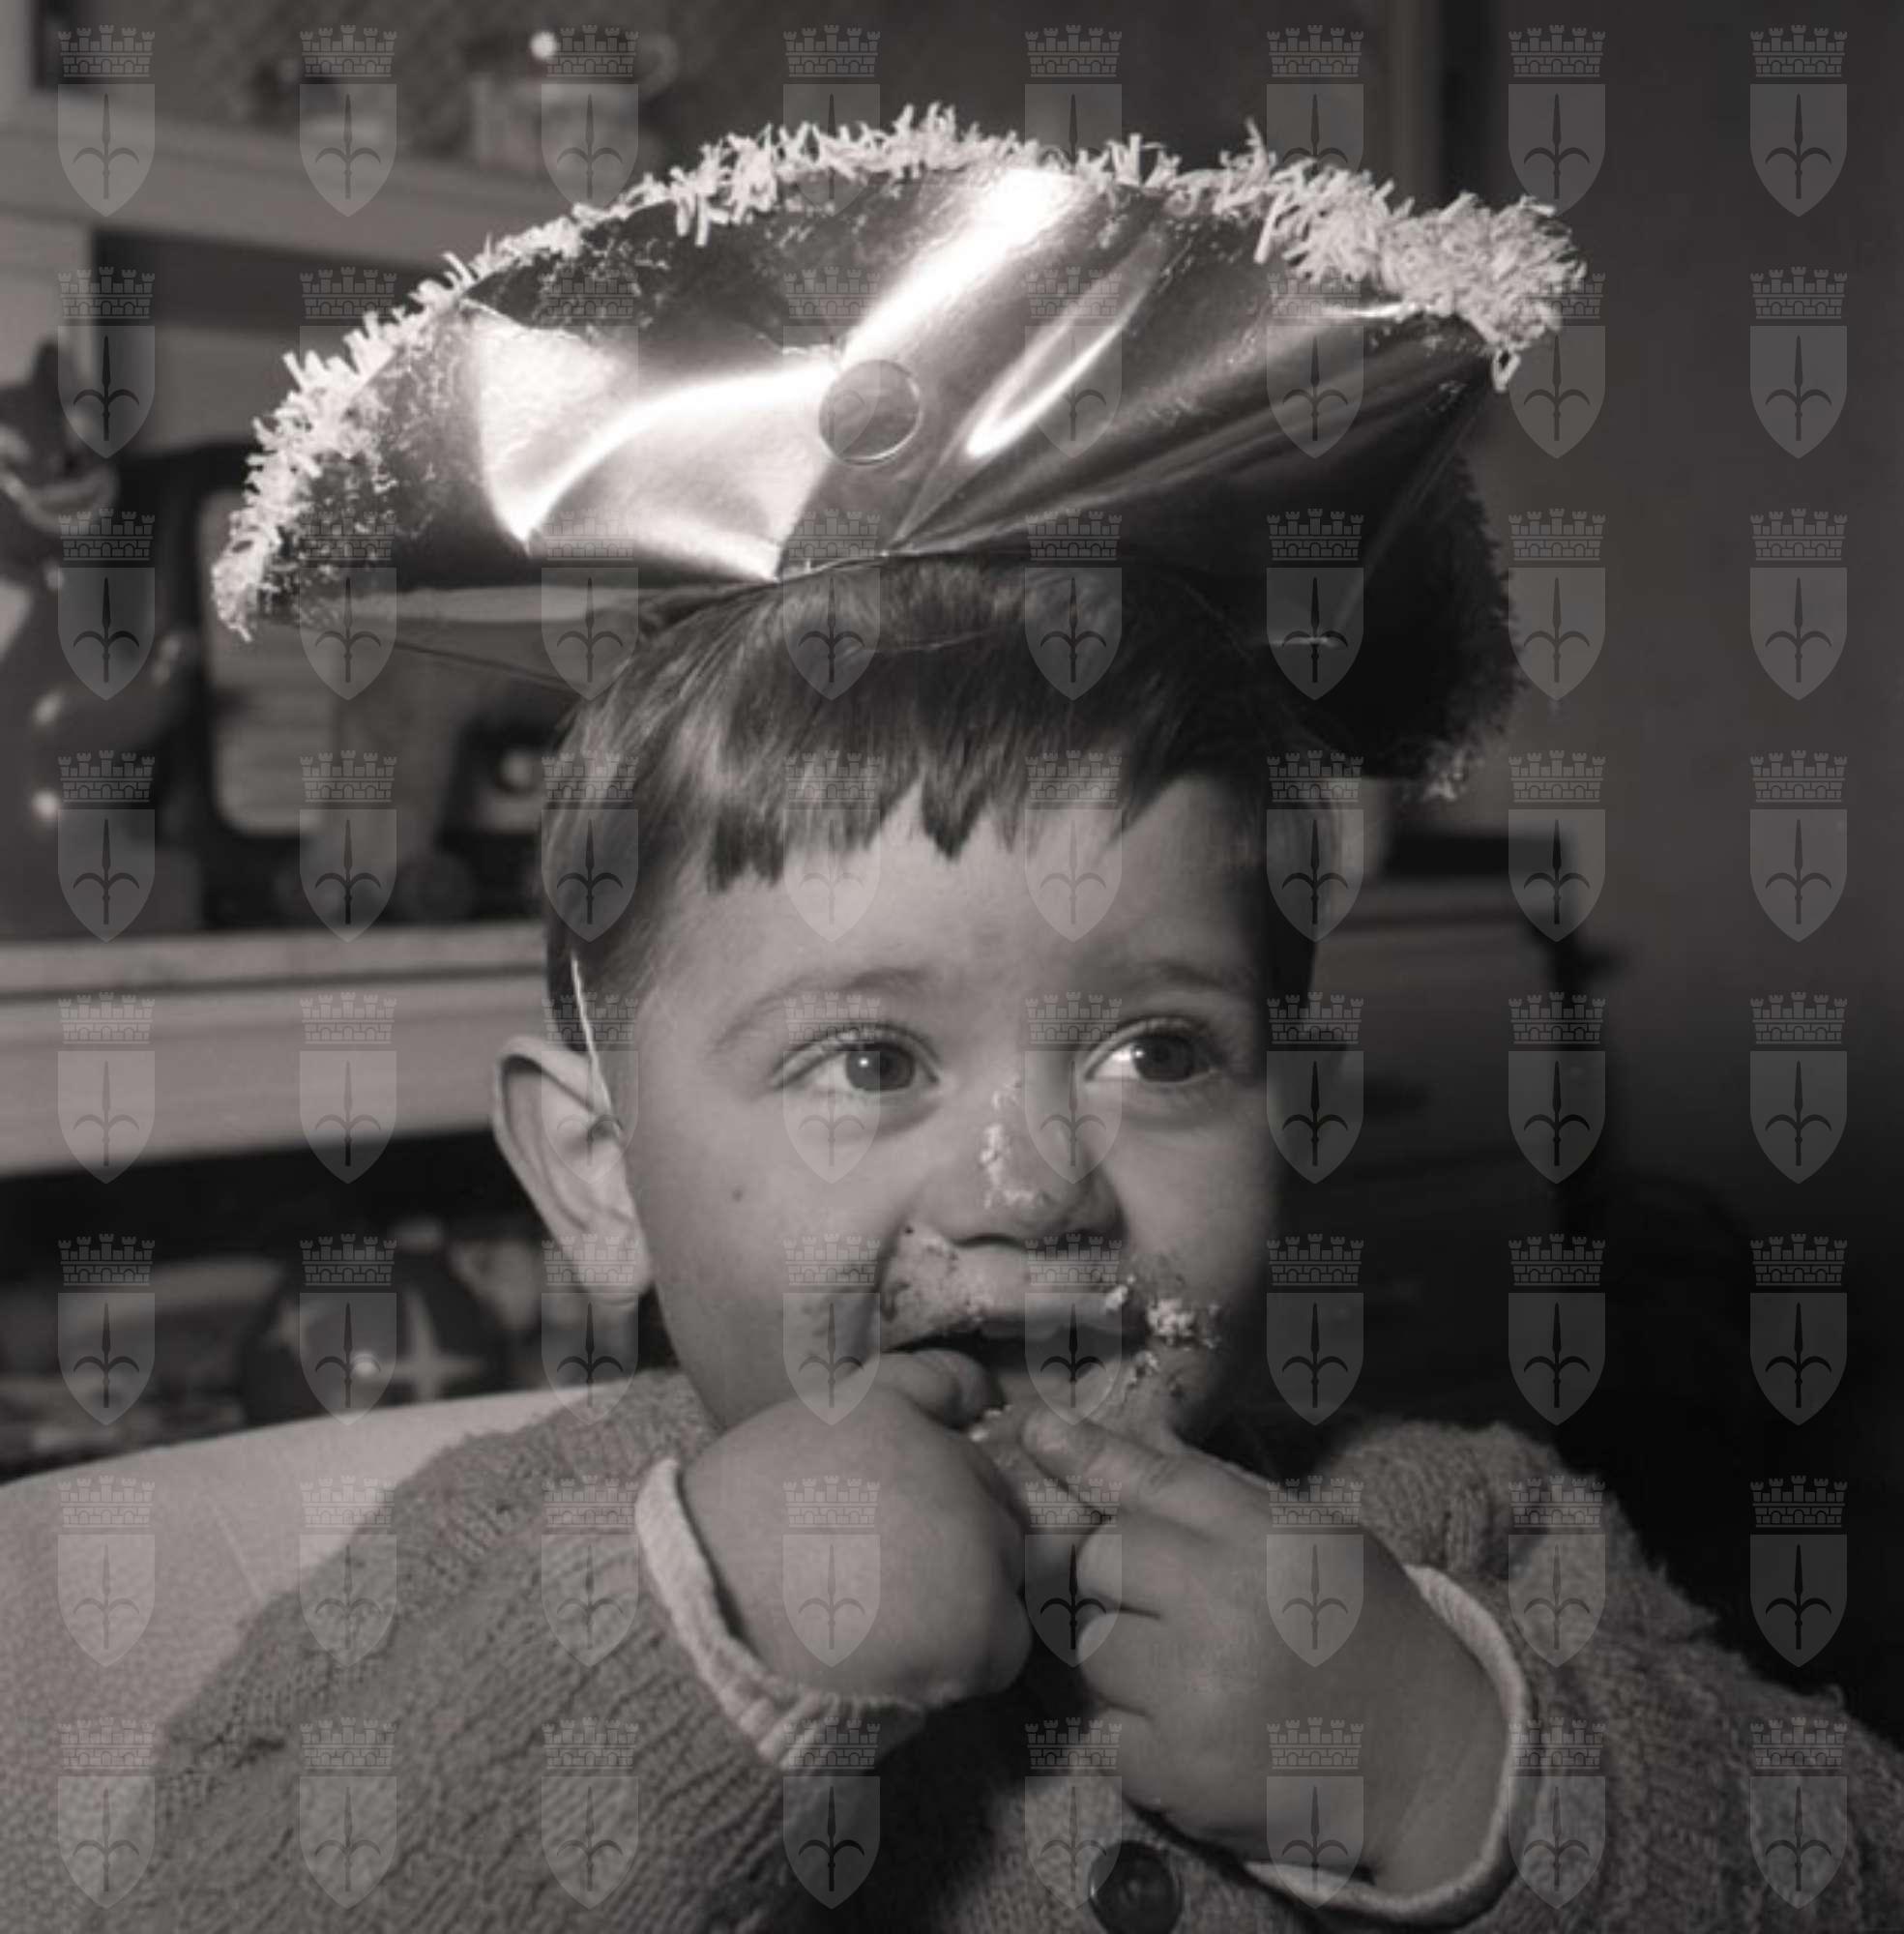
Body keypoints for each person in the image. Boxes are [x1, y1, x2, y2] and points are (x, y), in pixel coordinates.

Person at [140, 106, 1902, 1929]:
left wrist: (1452, 1759)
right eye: (872, 1058)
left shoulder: (1462, 1530)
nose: (1038, 1179)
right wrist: (707, 1650)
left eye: (1160, 1051)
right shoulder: (489, 1563)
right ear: (597, 1173)